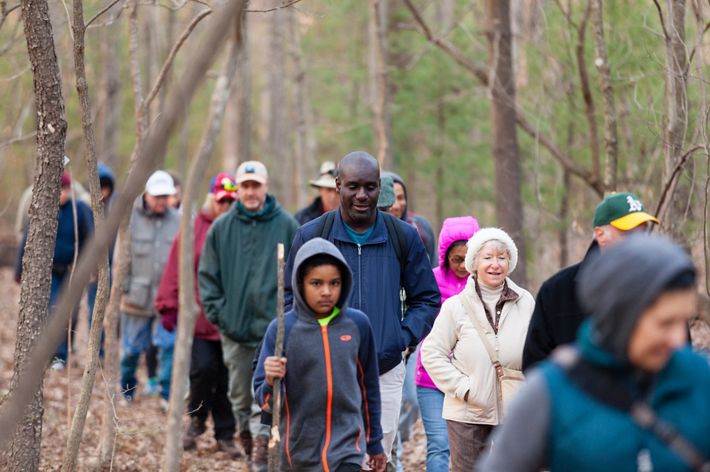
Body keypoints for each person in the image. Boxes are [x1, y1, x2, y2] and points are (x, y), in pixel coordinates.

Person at [479, 234, 710, 472]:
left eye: (683, 322)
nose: (678, 339)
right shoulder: (551, 391)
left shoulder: (701, 379)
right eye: (665, 323)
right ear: (621, 316)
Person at [284, 151, 440, 467]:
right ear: (338, 185)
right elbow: (290, 300)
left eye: (370, 187)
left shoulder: (402, 236)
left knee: (374, 457)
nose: (361, 195)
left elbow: (426, 299)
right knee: (325, 456)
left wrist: (402, 337)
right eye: (353, 186)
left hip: (384, 367)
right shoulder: (313, 235)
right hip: (323, 366)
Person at [254, 238, 387, 472]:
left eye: (334, 283)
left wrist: (374, 443)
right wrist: (269, 379)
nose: (326, 291)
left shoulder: (357, 325)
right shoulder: (283, 329)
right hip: (298, 452)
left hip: (348, 448)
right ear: (300, 284)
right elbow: (265, 404)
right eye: (316, 283)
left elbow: (369, 389)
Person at [198, 160, 298, 468]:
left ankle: (261, 448)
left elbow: (299, 275)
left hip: (274, 331)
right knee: (240, 396)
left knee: (268, 396)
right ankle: (246, 434)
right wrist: (222, 318)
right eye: (246, 186)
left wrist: (289, 318)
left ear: (266, 187)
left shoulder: (287, 225)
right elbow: (208, 277)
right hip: (236, 330)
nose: (251, 192)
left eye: (256, 186)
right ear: (238, 189)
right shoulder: (221, 228)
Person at [421, 227, 534, 472]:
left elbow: (537, 349)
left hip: (515, 407)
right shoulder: (456, 306)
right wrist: (465, 388)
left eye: (501, 257)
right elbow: (431, 352)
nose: (495, 264)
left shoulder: (526, 301)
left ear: (510, 262)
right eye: (488, 257)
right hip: (467, 411)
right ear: (474, 262)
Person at [522, 192, 659, 371]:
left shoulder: (658, 287)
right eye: (628, 234)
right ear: (600, 234)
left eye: (642, 234)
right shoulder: (557, 291)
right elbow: (535, 364)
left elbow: (678, 357)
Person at [155, 172, 240, 458]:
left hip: (231, 320)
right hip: (200, 318)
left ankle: (226, 434)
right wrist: (168, 304)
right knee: (203, 371)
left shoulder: (240, 230)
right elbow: (175, 266)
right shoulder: (193, 229)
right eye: (222, 200)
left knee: (227, 379)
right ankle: (196, 420)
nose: (226, 205)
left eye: (231, 201)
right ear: (212, 199)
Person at [415, 216, 480, 471]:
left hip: (470, 380)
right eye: (456, 259)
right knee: (439, 443)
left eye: (467, 259)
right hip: (431, 379)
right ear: (444, 256)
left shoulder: (484, 283)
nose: (462, 266)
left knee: (469, 447)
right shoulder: (430, 281)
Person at [15, 171, 93, 369]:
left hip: (71, 271)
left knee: (67, 313)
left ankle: (61, 355)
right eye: (58, 190)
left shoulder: (80, 210)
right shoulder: (42, 209)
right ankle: (47, 353)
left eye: (65, 190)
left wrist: (88, 268)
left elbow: (90, 240)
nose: (61, 194)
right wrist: (19, 269)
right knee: (50, 310)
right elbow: (27, 239)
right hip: (48, 271)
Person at [119, 170, 180, 401]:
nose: (162, 201)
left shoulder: (179, 220)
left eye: (166, 196)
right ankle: (127, 391)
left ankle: (166, 394)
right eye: (158, 196)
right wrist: (124, 287)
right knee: (132, 350)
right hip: (137, 297)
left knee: (168, 348)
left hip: (168, 300)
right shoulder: (130, 219)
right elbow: (121, 257)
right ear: (147, 195)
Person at [381, 171, 437, 267]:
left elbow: (433, 266)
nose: (396, 206)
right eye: (391, 199)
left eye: (400, 198)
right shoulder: (370, 232)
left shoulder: (421, 228)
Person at [295, 161, 340, 225]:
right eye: (329, 190)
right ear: (320, 190)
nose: (333, 196)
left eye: (337, 191)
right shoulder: (302, 219)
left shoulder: (354, 220)